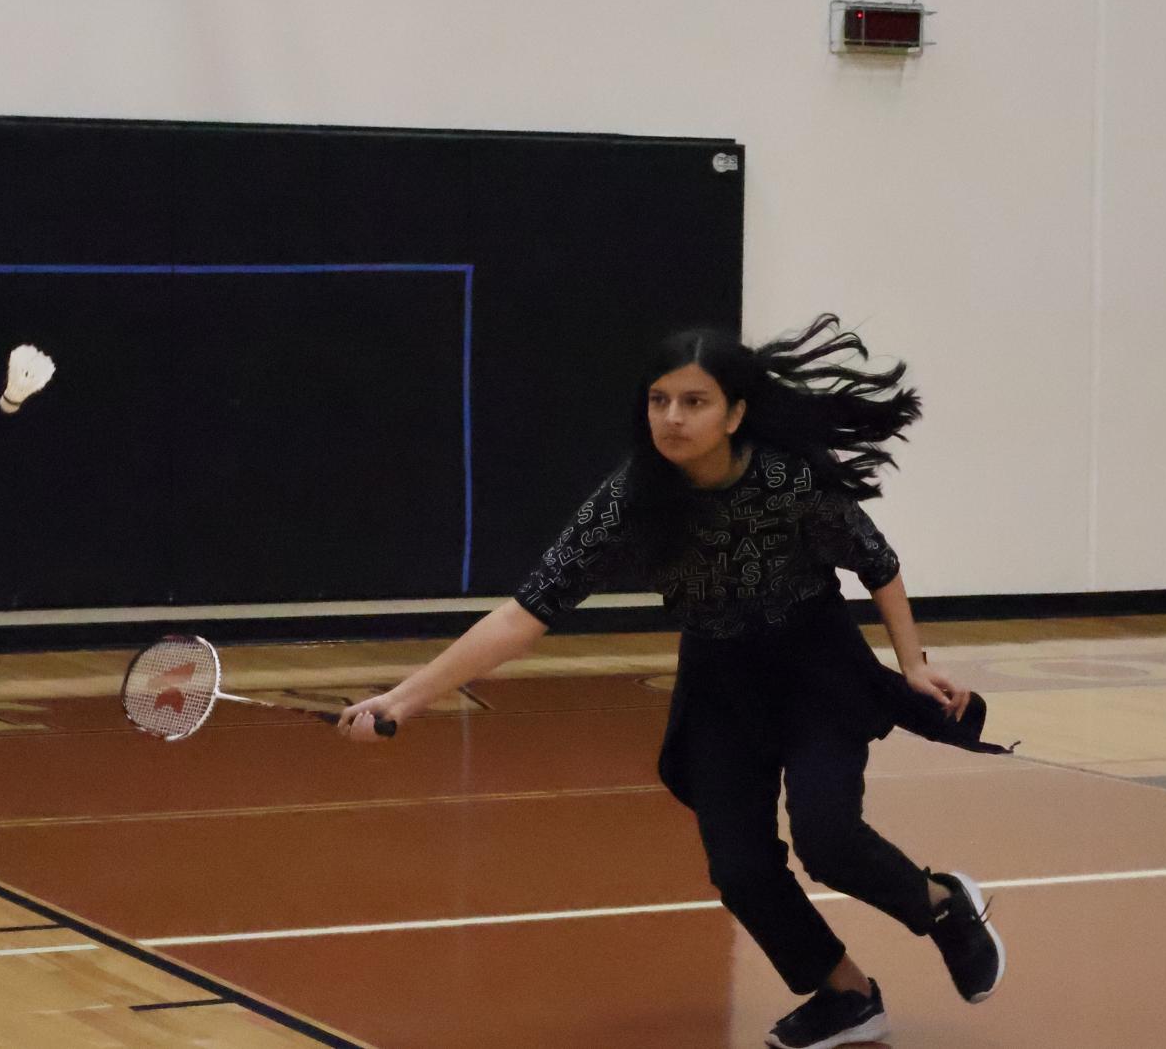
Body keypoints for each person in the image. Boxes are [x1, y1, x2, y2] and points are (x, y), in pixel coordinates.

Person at [338, 314, 1009, 1049]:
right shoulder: (633, 495)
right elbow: (526, 611)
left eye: (693, 401)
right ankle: (844, 993)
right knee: (739, 865)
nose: (672, 418)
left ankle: (942, 905)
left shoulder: (786, 480)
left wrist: (911, 664)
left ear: (735, 413)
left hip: (815, 669)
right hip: (720, 683)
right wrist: (401, 697)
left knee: (828, 837)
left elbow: (875, 561)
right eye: (659, 400)